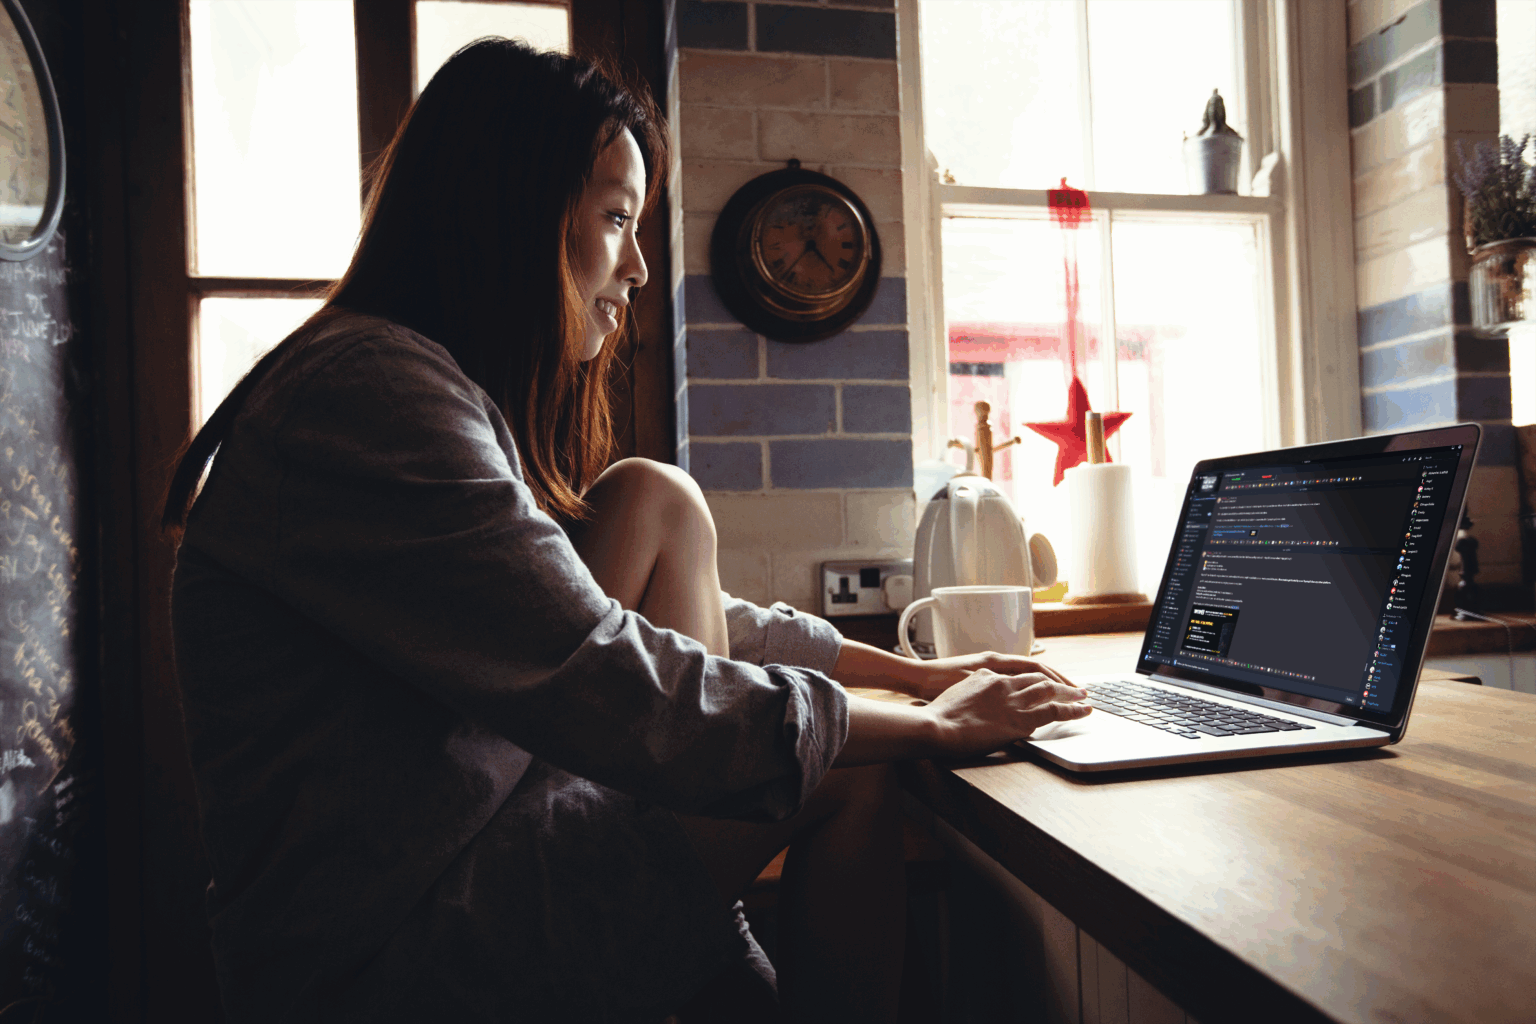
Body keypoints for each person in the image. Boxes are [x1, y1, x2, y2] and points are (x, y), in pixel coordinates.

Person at [162, 39, 1091, 1023]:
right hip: (381, 952)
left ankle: (727, 973)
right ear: (509, 212)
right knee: (842, 767)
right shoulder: (368, 393)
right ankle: (736, 982)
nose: (641, 266)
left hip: (456, 852)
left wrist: (914, 677)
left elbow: (619, 616)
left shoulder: (409, 383)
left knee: (652, 498)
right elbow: (605, 671)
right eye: (615, 217)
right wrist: (927, 725)